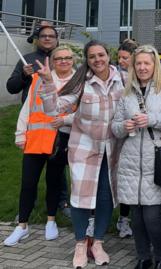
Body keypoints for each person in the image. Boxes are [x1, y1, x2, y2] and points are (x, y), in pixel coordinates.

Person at [38, 40, 124, 268]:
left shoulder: (122, 79)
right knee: (81, 197)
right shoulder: (81, 82)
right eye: (92, 56)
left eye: (101, 55)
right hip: (85, 148)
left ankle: (97, 243)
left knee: (106, 197)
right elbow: (53, 109)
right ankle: (79, 243)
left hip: (112, 149)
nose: (97, 60)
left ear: (108, 55)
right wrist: (47, 82)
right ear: (87, 59)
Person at [112, 44, 161, 269]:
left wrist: (150, 118)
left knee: (153, 216)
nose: (142, 67)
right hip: (131, 161)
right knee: (138, 217)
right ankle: (143, 257)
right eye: (138, 63)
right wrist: (124, 125)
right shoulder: (127, 92)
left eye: (147, 63)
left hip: (158, 159)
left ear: (155, 65)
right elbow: (114, 127)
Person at [3, 45, 76, 247]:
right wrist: (20, 134)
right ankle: (22, 226)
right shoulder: (38, 78)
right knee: (28, 184)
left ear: (73, 60)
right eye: (59, 58)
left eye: (68, 58)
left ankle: (50, 220)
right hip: (35, 140)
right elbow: (27, 109)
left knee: (54, 182)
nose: (63, 61)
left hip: (61, 141)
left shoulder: (78, 82)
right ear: (52, 61)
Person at [115, 38, 139, 238]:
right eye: (119, 57)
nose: (121, 61)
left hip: (134, 133)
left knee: (129, 179)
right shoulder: (114, 75)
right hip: (116, 129)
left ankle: (124, 218)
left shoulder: (138, 78)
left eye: (125, 58)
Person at [7, 25, 58, 103]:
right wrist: (23, 75)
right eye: (43, 36)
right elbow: (11, 88)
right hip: (31, 111)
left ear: (56, 40)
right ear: (37, 39)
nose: (47, 38)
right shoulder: (26, 59)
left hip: (59, 109)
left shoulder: (65, 59)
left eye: (51, 36)